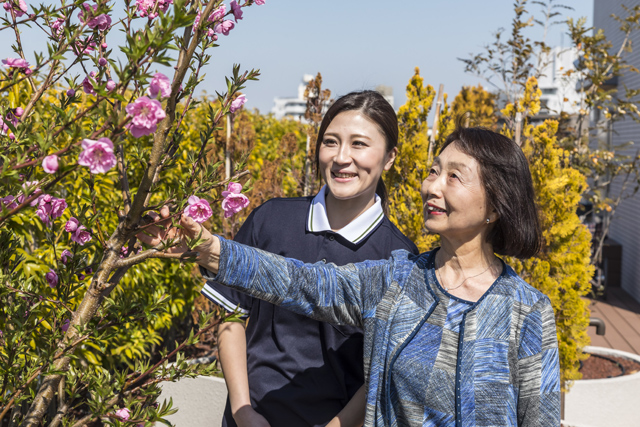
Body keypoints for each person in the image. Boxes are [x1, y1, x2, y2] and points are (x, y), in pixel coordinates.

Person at [141, 126, 561, 427]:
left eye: (454, 176)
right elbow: (300, 282)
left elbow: (541, 419)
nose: (433, 186)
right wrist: (211, 248)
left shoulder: (526, 311)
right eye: (434, 171)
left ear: (495, 205)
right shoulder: (395, 281)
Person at [201, 91, 418, 427]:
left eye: (359, 144)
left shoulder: (399, 258)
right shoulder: (272, 220)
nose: (341, 158)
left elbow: (383, 367)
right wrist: (243, 411)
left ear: (389, 157)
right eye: (331, 142)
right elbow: (232, 318)